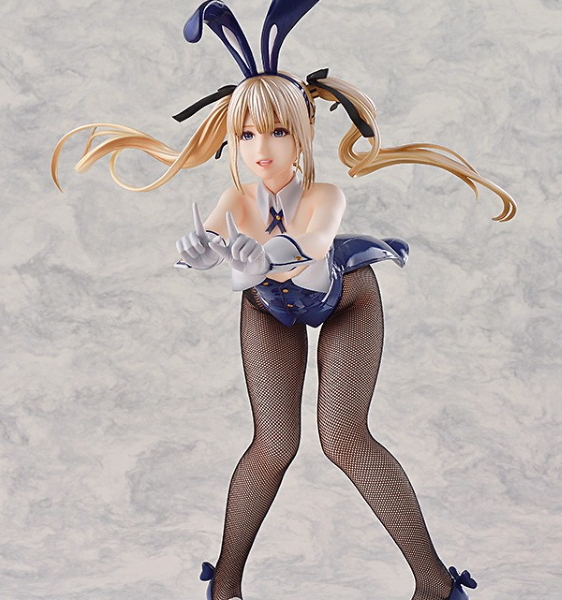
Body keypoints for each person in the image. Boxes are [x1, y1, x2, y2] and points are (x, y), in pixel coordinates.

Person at [51, 2, 516, 600]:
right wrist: (203, 254)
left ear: (304, 132)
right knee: (272, 446)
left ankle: (437, 586)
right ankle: (224, 588)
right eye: (246, 134)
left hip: (344, 299)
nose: (260, 148)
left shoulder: (325, 196)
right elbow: (215, 245)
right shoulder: (236, 200)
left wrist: (263, 258)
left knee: (344, 439)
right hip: (268, 307)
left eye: (277, 131)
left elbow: (312, 248)